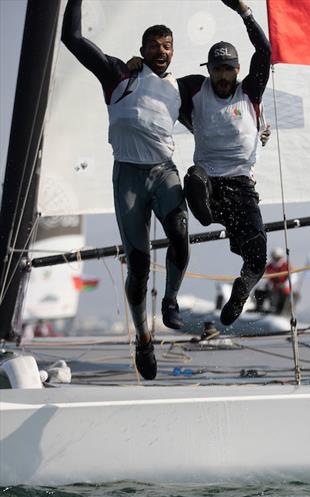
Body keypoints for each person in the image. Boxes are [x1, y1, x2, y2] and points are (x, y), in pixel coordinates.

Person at [62, 0, 191, 380]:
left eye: (167, 45)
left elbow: (222, 108)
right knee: (137, 266)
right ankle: (144, 338)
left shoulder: (179, 89)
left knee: (181, 236)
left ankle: (170, 302)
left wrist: (258, 126)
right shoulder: (118, 74)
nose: (161, 51)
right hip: (129, 178)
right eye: (154, 45)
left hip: (163, 172)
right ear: (142, 49)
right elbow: (71, 39)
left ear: (173, 50)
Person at [129, 0, 271, 326]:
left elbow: (263, 52)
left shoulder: (250, 91)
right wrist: (141, 64)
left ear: (238, 70)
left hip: (241, 184)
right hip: (206, 181)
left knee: (258, 257)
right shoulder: (194, 88)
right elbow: (160, 82)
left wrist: (245, 12)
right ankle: (205, 214)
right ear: (209, 69)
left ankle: (240, 293)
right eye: (217, 69)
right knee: (194, 177)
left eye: (229, 69)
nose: (223, 76)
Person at [264, 248, 292, 314]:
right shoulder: (269, 266)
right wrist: (269, 284)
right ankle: (262, 309)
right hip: (273, 287)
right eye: (275, 257)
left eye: (278, 257)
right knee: (261, 292)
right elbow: (266, 277)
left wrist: (285, 284)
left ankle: (280, 311)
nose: (277, 259)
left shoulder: (286, 266)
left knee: (283, 295)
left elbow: (293, 276)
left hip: (283, 288)